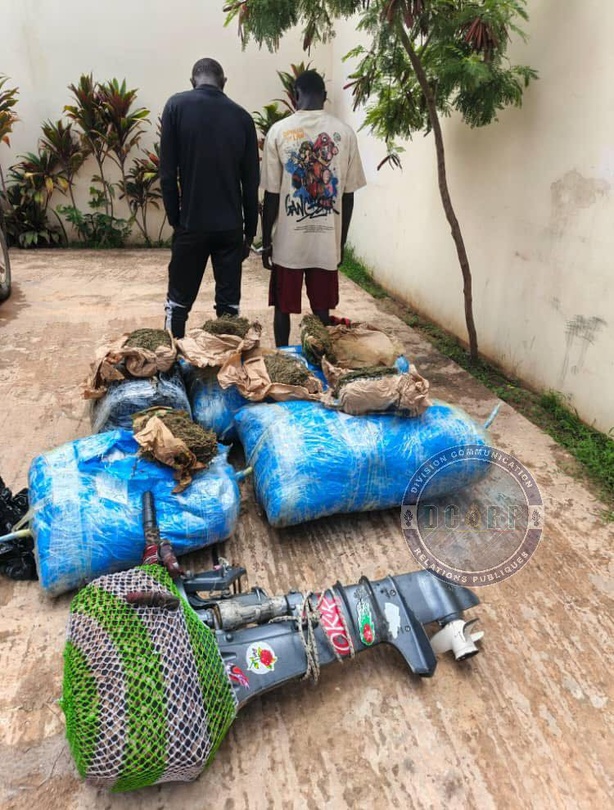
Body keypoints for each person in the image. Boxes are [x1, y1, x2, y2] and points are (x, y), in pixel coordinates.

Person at [260, 70, 366, 346]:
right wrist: (339, 243)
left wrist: (266, 242)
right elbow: (348, 196)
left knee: (282, 308)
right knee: (322, 310)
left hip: (287, 245)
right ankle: (322, 362)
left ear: (295, 96)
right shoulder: (345, 133)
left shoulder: (278, 132)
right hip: (325, 243)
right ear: (325, 97)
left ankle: (282, 356)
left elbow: (271, 196)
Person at [159, 58, 259, 338]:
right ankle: (226, 373)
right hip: (229, 229)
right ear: (224, 82)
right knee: (228, 309)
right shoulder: (242, 117)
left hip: (191, 223)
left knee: (178, 304)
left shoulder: (176, 107)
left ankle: (173, 366)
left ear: (193, 81)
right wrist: (248, 234)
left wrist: (176, 220)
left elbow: (167, 173)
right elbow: (251, 183)